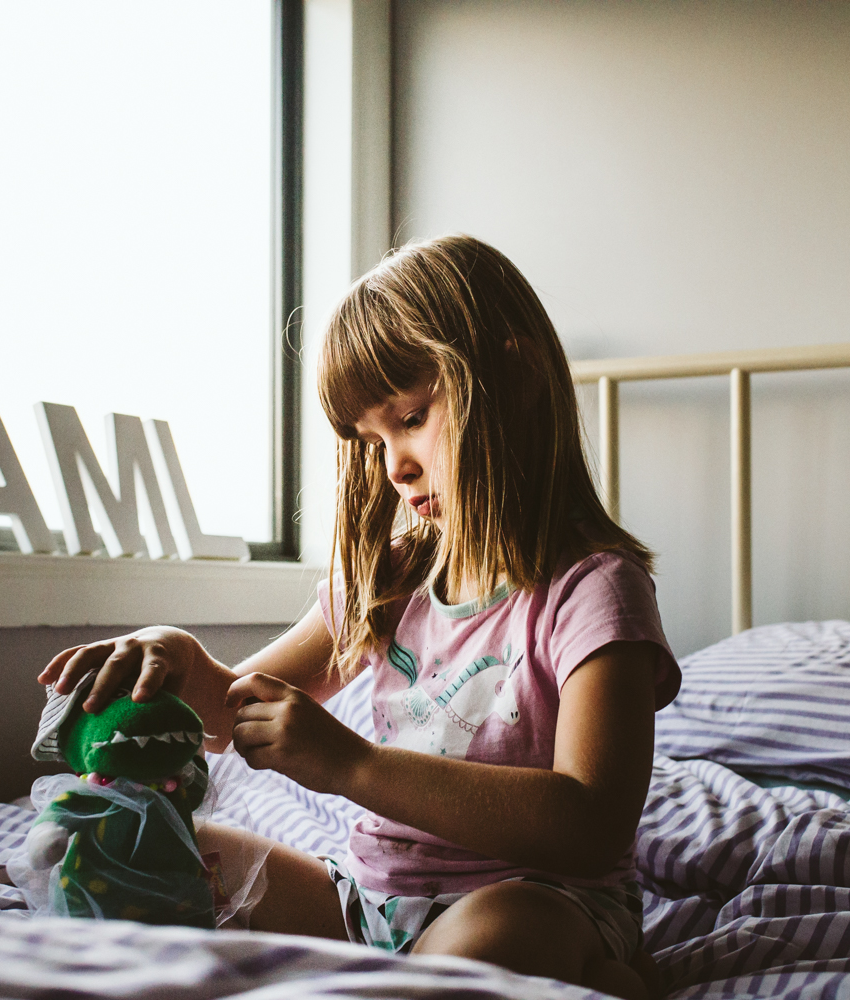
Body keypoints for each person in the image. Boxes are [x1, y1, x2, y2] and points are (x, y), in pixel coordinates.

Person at [37, 234, 680, 998]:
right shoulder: (394, 578)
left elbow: (591, 822)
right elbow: (227, 718)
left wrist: (352, 765)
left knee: (505, 931)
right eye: (371, 440)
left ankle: (590, 972)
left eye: (410, 417)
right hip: (365, 906)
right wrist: (175, 655)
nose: (393, 465)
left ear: (516, 376)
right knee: (147, 849)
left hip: (537, 897)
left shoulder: (594, 590)